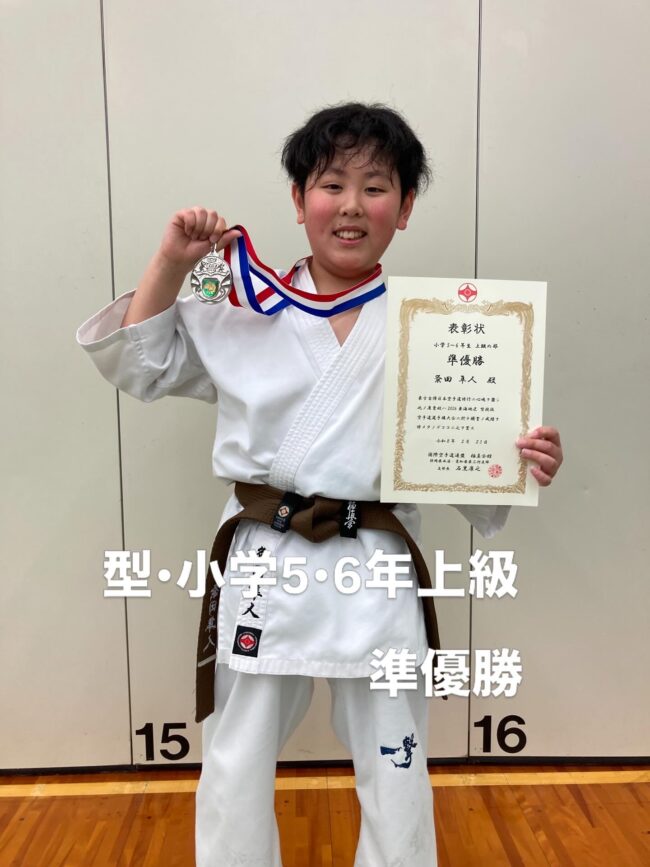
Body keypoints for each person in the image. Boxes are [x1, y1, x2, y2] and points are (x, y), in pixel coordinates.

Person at [76, 102, 563, 867]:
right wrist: (171, 261)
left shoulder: (434, 328)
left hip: (377, 564)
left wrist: (520, 456)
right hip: (266, 559)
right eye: (332, 184)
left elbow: (466, 454)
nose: (351, 205)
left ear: (405, 207)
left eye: (376, 187)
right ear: (299, 199)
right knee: (236, 761)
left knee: (396, 762)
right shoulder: (245, 304)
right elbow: (139, 364)